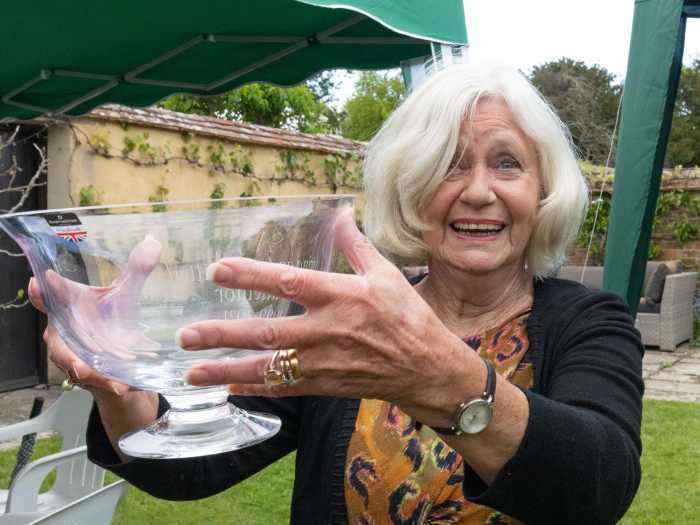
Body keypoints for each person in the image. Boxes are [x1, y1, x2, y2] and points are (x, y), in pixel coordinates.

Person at [31, 62, 644, 525]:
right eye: (449, 164)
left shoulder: (589, 321)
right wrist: (119, 384)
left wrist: (434, 374)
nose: (479, 190)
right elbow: (196, 468)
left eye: (507, 163)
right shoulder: (348, 321)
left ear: (543, 192)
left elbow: (598, 484)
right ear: (409, 191)